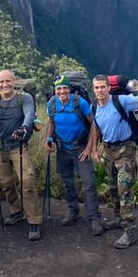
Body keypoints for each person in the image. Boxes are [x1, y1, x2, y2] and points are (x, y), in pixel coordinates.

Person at [91, 75, 138, 249]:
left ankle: (131, 231)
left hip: (125, 151)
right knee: (112, 189)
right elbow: (96, 127)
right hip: (107, 151)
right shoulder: (94, 106)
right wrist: (94, 149)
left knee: (124, 190)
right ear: (93, 89)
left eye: (102, 87)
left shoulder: (121, 100)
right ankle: (118, 219)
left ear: (108, 88)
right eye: (96, 88)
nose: (100, 91)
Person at [0, 69, 42, 241]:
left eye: (8, 81)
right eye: (1, 82)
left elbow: (29, 114)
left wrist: (24, 127)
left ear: (14, 81)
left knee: (27, 181)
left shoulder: (24, 98)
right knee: (6, 182)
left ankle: (34, 220)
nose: (5, 85)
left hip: (18, 146)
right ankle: (16, 210)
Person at [45, 75, 102, 236]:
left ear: (69, 89)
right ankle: (73, 210)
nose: (62, 91)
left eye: (64, 88)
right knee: (67, 181)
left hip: (80, 147)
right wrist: (48, 139)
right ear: (55, 91)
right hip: (63, 148)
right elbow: (51, 123)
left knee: (89, 183)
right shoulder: (52, 104)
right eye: (58, 89)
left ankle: (94, 217)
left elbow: (93, 124)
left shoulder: (79, 103)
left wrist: (89, 148)